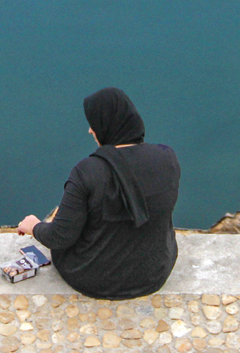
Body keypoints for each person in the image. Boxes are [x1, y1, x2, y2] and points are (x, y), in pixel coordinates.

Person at [17, 87, 180, 300]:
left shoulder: (88, 172)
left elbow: (60, 237)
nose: (90, 130)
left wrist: (34, 227)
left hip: (96, 279)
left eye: (94, 123)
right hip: (153, 272)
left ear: (106, 125)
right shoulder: (166, 157)